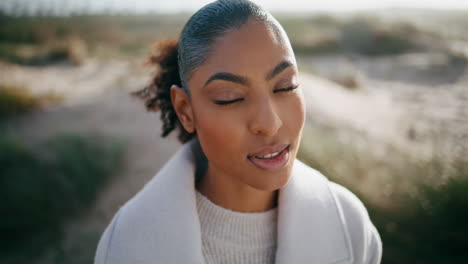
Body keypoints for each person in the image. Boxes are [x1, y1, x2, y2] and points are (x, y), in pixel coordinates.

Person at [94, 0, 382, 263]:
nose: (269, 123)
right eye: (230, 98)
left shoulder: (350, 225)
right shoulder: (125, 245)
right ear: (185, 110)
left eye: (286, 86)